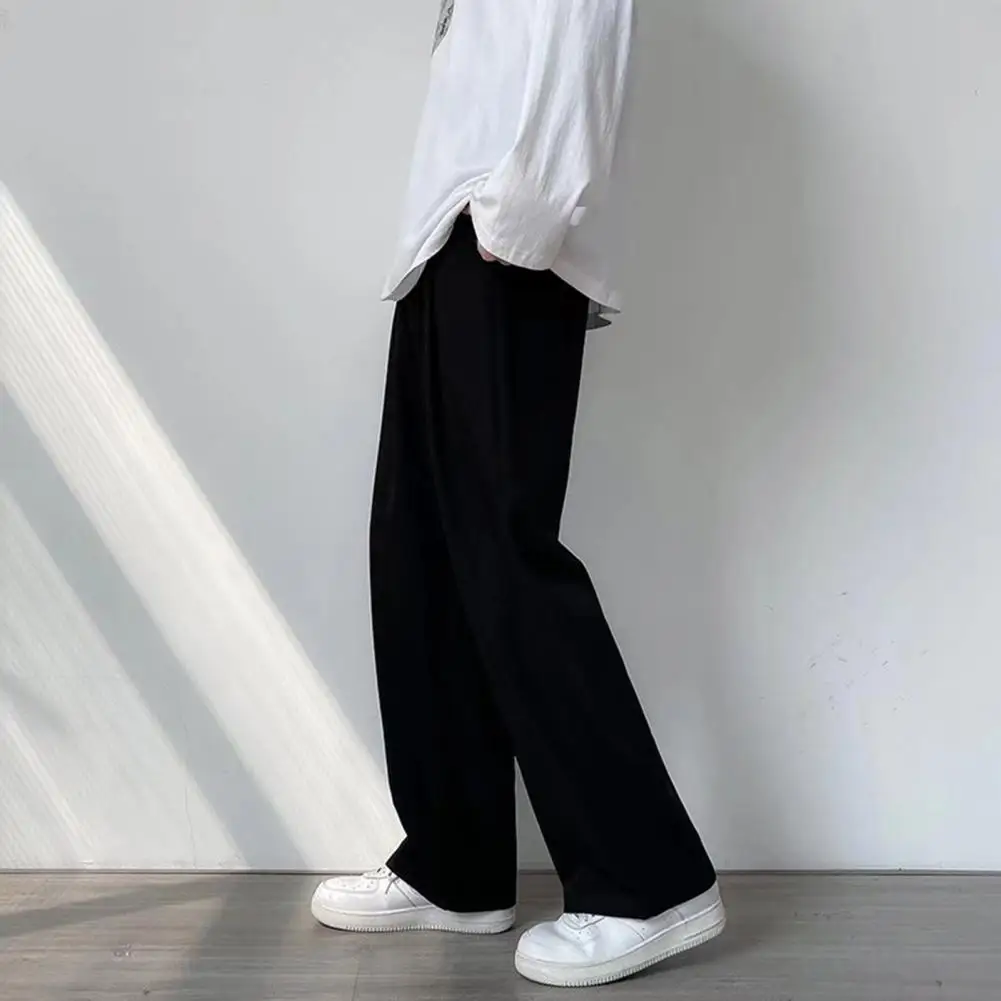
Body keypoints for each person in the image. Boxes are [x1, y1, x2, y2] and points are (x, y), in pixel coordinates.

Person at [311, 0, 724, 988]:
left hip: (501, 235)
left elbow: (582, 27)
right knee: (420, 546)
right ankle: (454, 863)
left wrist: (521, 213)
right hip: (447, 239)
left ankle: (648, 879)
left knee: (505, 553)